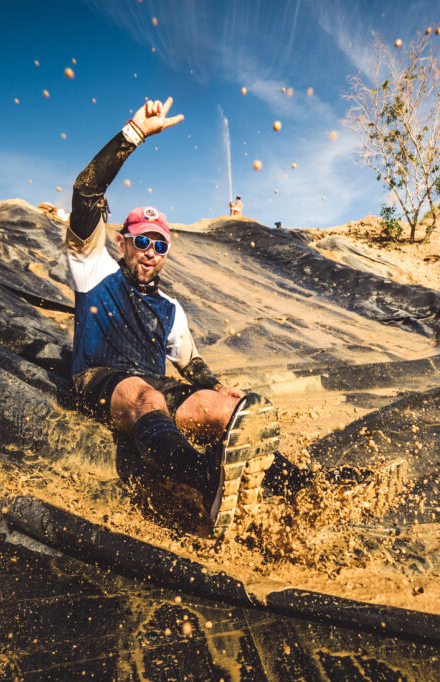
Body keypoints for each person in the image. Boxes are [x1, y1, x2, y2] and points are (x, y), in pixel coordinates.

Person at [65, 97, 278, 537]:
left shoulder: (170, 309)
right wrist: (134, 134)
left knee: (231, 411)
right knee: (147, 396)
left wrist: (222, 390)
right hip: (102, 378)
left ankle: (300, 489)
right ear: (123, 242)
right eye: (142, 242)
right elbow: (84, 192)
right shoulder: (94, 268)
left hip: (155, 387)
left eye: (160, 245)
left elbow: (191, 364)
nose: (150, 253)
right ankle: (207, 482)